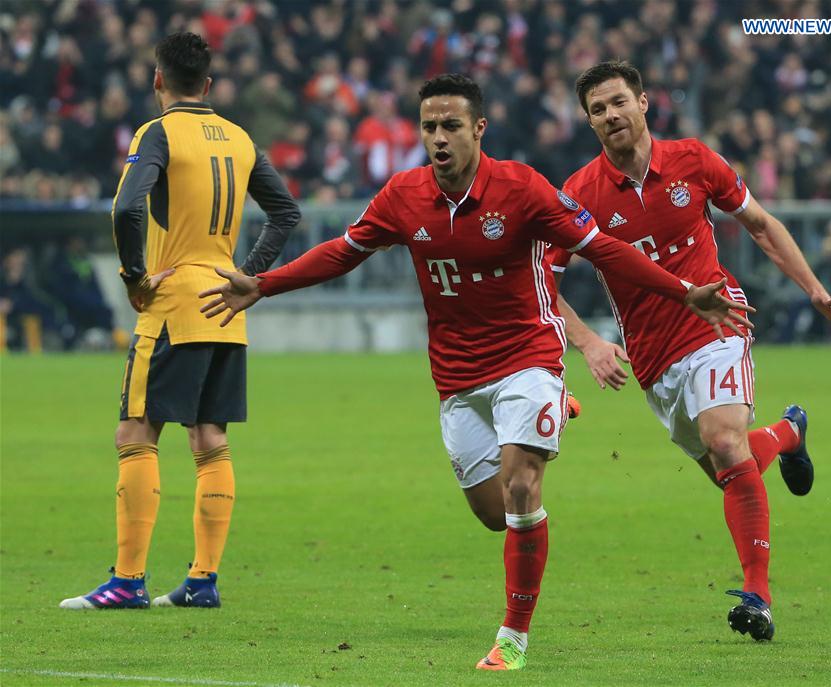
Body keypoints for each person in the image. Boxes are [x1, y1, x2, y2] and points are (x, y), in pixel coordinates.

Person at [199, 73, 752, 670]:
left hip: (528, 358)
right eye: (429, 127)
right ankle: (552, 417)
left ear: (478, 130)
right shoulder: (402, 197)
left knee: (521, 488)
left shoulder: (522, 189)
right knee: (494, 514)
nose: (439, 138)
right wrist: (266, 284)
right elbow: (342, 251)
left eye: (451, 126)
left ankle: (512, 639)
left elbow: (603, 249)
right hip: (459, 378)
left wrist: (682, 291)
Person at [547, 61, 831, 641]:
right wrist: (588, 341)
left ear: (644, 103)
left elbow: (763, 226)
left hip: (718, 324)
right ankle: (789, 434)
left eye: (619, 102)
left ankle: (759, 597)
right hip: (653, 358)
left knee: (723, 441)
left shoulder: (693, 160)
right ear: (589, 122)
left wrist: (816, 291)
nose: (611, 115)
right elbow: (541, 280)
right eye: (598, 109)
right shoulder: (578, 194)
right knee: (731, 465)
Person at [59, 32, 299, 610]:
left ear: (157, 79)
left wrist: (135, 277)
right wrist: (249, 273)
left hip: (174, 304)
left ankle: (127, 581)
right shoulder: (240, 138)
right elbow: (286, 212)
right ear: (209, 84)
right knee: (210, 440)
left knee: (136, 433)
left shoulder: (158, 133)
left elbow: (125, 206)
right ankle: (202, 581)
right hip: (227, 305)